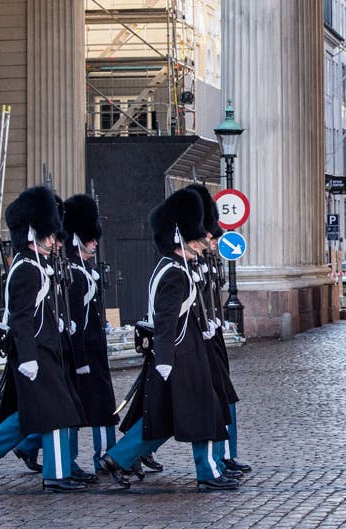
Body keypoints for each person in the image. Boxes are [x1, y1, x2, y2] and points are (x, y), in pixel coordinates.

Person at [100, 189, 236, 491]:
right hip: (179, 355)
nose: (199, 246)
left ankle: (117, 458)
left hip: (185, 350)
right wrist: (164, 360)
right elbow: (165, 320)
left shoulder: (177, 268)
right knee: (203, 411)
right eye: (193, 241)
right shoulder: (174, 273)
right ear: (179, 239)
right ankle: (208, 472)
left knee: (165, 418)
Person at [0, 186, 88, 492]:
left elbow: (38, 309)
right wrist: (29, 356)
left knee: (39, 412)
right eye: (47, 234)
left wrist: (57, 322)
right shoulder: (26, 269)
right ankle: (57, 475)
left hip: (46, 347)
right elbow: (20, 317)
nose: (52, 241)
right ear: (33, 232)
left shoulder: (37, 264)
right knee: (56, 412)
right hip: (35, 352)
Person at [184, 183, 251, 476]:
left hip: (212, 339)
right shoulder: (181, 268)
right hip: (194, 344)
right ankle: (122, 456)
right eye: (207, 238)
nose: (210, 242)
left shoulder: (206, 264)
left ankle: (225, 456)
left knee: (225, 399)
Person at [61, 193, 118, 478]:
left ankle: (106, 455)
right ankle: (72, 460)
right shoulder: (73, 272)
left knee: (104, 405)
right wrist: (80, 357)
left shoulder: (87, 269)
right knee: (73, 409)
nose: (94, 242)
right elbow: (75, 321)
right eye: (90, 237)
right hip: (83, 352)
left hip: (95, 349)